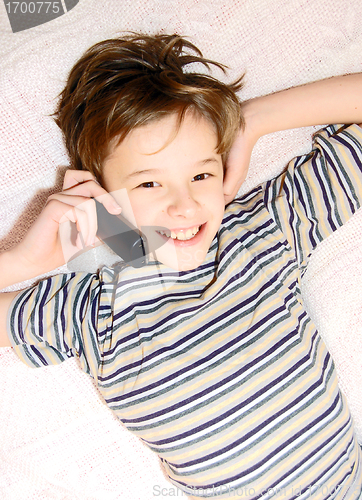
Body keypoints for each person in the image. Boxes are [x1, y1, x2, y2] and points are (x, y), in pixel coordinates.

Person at [0, 34, 362, 499]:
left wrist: (250, 122)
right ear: (99, 196)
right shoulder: (90, 310)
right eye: (150, 183)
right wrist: (22, 261)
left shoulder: (262, 231)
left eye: (200, 173)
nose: (185, 205)